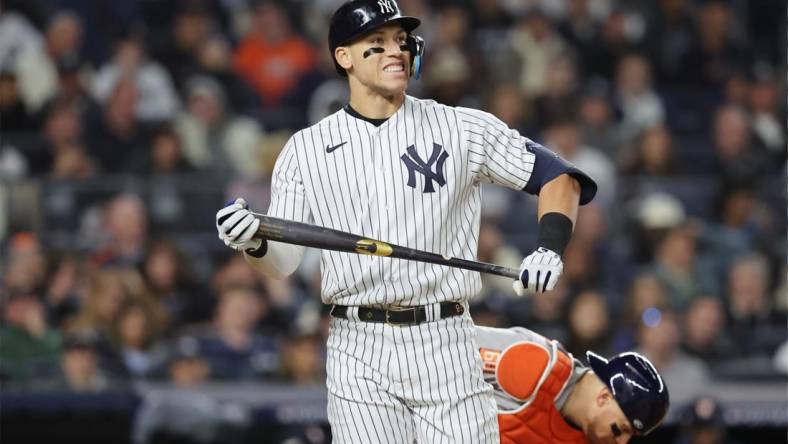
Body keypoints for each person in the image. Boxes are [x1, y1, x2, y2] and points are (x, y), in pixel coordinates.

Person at [215, 0, 596, 441]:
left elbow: (559, 177)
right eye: (376, 43)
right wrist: (254, 242)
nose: (395, 51)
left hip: (446, 337)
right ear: (344, 57)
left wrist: (550, 246)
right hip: (357, 345)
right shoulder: (306, 149)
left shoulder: (459, 127)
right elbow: (282, 263)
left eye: (400, 40)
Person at [476, 325, 668, 444]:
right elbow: (451, 348)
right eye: (622, 429)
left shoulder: (586, 438)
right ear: (604, 397)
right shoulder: (535, 366)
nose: (622, 442)